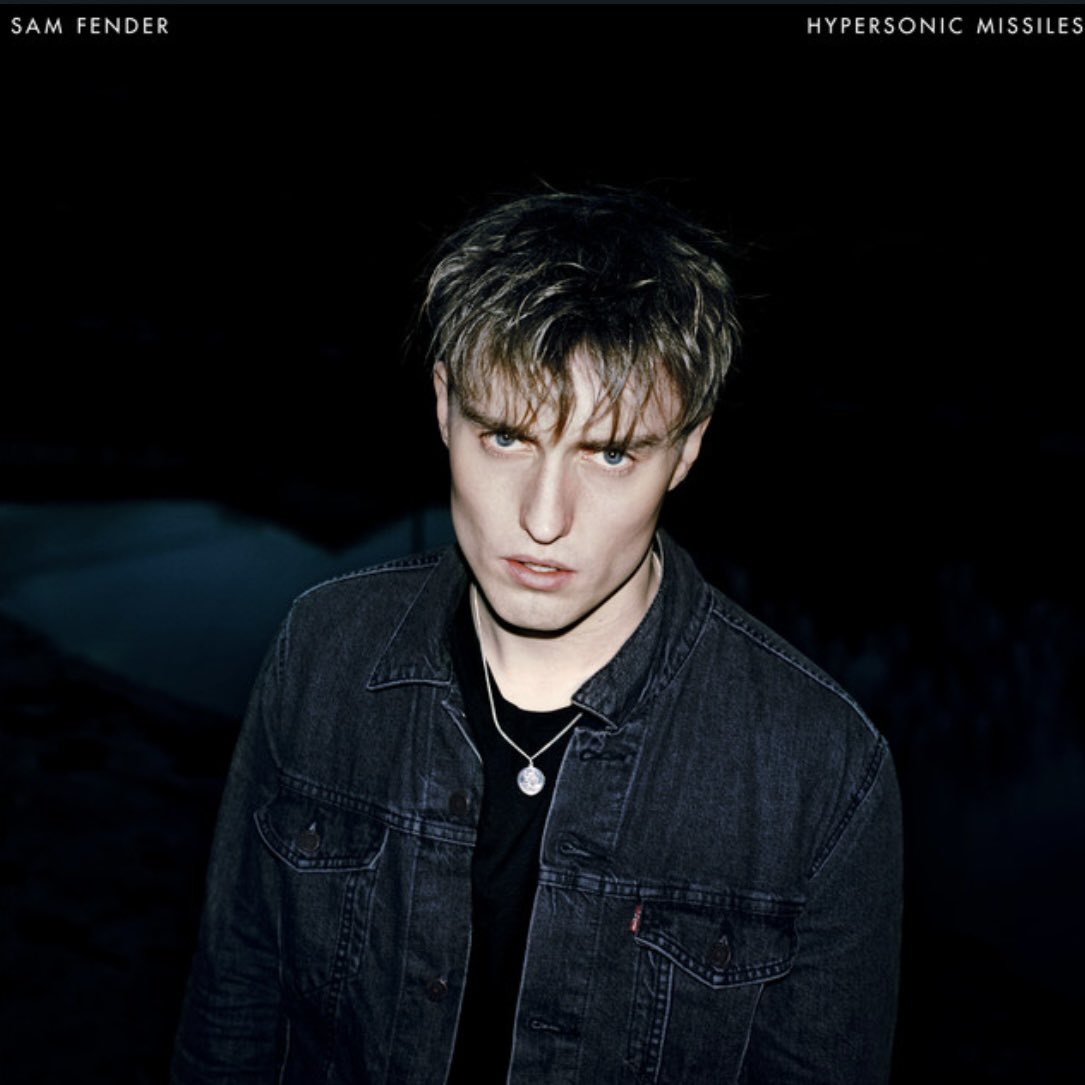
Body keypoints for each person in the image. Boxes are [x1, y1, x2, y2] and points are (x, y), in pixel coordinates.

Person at [172, 190, 901, 1084]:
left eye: (611, 453)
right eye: (507, 436)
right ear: (444, 405)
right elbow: (232, 1007)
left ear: (687, 449)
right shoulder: (322, 651)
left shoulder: (822, 766)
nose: (544, 520)